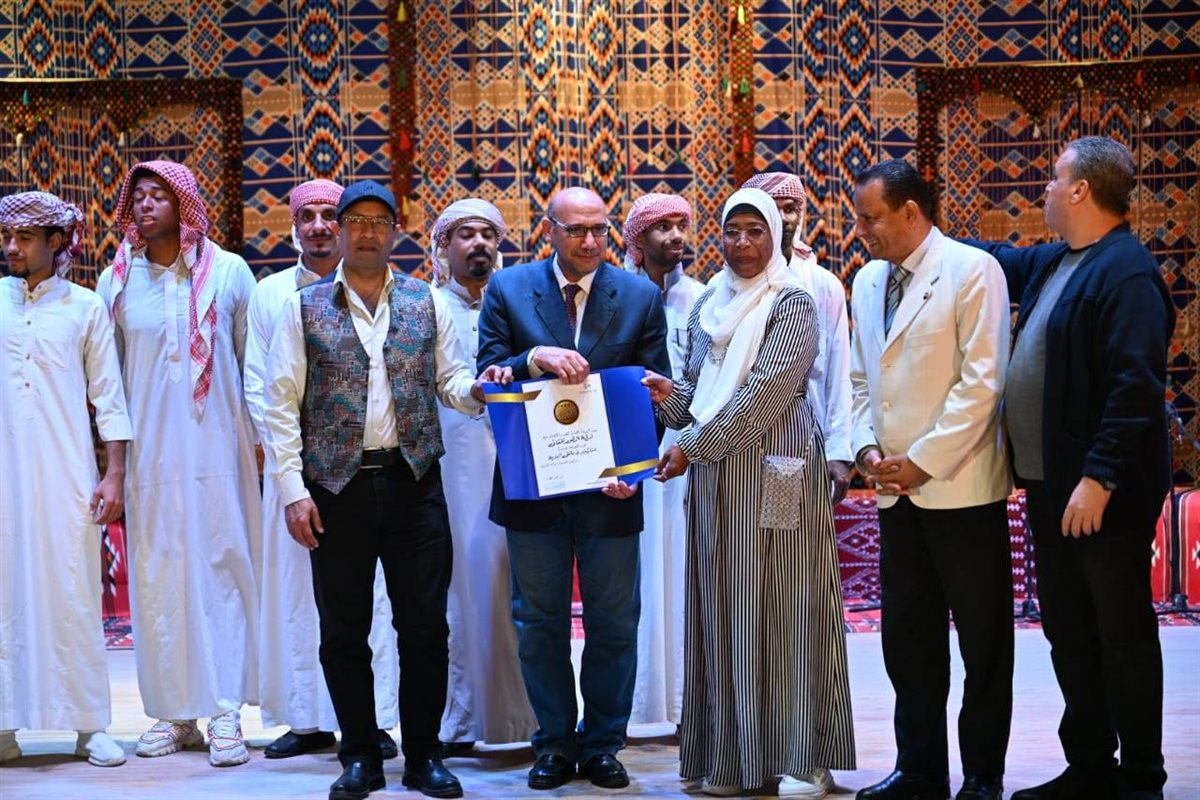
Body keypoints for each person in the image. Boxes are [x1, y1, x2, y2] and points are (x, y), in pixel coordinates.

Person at [263, 179, 505, 800]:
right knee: (343, 631)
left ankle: (424, 755)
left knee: (424, 628)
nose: (367, 232)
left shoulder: (427, 302)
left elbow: (452, 379)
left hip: (414, 482)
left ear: (396, 233)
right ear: (342, 231)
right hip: (335, 487)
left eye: (379, 221)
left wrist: (479, 391)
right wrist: (293, 490)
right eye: (356, 221)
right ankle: (360, 755)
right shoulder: (303, 307)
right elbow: (280, 403)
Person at [963, 136, 1173, 800]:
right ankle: (1090, 766)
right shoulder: (1059, 260)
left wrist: (1099, 477)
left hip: (1100, 492)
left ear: (1081, 189)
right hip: (1052, 485)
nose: (1046, 189)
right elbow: (994, 260)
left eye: (1055, 178)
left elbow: (1136, 386)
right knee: (1070, 632)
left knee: (1121, 634)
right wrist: (923, 240)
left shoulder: (1127, 273)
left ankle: (1141, 778)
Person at [649, 187, 855, 798]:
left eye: (755, 230)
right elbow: (697, 393)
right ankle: (736, 761)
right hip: (715, 481)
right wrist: (665, 398)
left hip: (778, 473)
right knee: (724, 610)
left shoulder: (792, 302)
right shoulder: (709, 303)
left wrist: (691, 446)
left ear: (777, 235)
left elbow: (765, 395)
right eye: (732, 230)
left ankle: (806, 758)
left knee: (788, 608)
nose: (742, 243)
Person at [476, 186, 671, 790]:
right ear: (550, 230)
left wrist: (633, 469)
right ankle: (555, 745)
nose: (590, 241)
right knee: (539, 622)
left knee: (615, 621)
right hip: (533, 486)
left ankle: (604, 743)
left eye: (599, 229)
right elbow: (489, 372)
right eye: (577, 230)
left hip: (610, 491)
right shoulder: (508, 289)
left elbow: (654, 391)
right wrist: (534, 357)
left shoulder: (638, 295)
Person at [848, 160, 1012, 800]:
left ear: (911, 212)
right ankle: (919, 770)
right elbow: (861, 380)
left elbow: (982, 384)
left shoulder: (973, 270)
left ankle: (982, 777)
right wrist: (866, 448)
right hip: (894, 492)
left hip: (959, 486)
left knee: (982, 642)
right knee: (908, 640)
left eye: (871, 218)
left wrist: (922, 459)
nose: (861, 230)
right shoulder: (867, 280)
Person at [96, 161, 262, 768]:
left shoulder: (230, 272)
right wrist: (114, 467)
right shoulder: (116, 280)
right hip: (150, 460)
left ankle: (225, 712)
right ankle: (173, 715)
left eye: (158, 196)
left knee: (224, 572)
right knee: (158, 577)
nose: (145, 205)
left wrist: (263, 448)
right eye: (137, 196)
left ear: (184, 204)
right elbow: (109, 383)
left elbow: (253, 365)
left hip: (221, 451)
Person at [244, 179, 399, 760]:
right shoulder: (271, 295)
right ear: (293, 227)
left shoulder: (381, 291)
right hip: (297, 475)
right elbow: (260, 385)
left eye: (327, 215)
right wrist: (290, 468)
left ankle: (372, 720)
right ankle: (307, 718)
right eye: (305, 215)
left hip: (364, 475)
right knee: (299, 598)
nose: (317, 225)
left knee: (369, 602)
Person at [0, 192, 132, 767]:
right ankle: (4, 726)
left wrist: (114, 475)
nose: (11, 247)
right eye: (7, 237)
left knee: (74, 592)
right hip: (4, 476)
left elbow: (109, 397)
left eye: (24, 238)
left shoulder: (84, 308)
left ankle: (88, 727)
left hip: (67, 473)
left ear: (56, 242)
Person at [427, 198, 537, 753]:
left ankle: (528, 720)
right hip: (450, 462)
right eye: (465, 234)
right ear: (443, 247)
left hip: (516, 456)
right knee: (460, 585)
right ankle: (462, 718)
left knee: (514, 579)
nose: (478, 244)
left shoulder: (516, 302)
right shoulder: (426, 305)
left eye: (487, 235)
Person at [620, 192, 705, 728]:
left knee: (681, 570)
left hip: (686, 446)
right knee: (636, 572)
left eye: (681, 225)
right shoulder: (618, 294)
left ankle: (684, 703)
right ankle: (636, 704)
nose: (675, 236)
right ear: (638, 238)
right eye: (663, 227)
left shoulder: (703, 298)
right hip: (629, 446)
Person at [741, 172, 853, 504]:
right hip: (737, 447)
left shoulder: (824, 286)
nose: (784, 218)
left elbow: (838, 374)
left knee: (794, 535)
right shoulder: (725, 287)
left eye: (790, 208)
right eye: (772, 208)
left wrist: (838, 451)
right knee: (739, 533)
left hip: (799, 444)